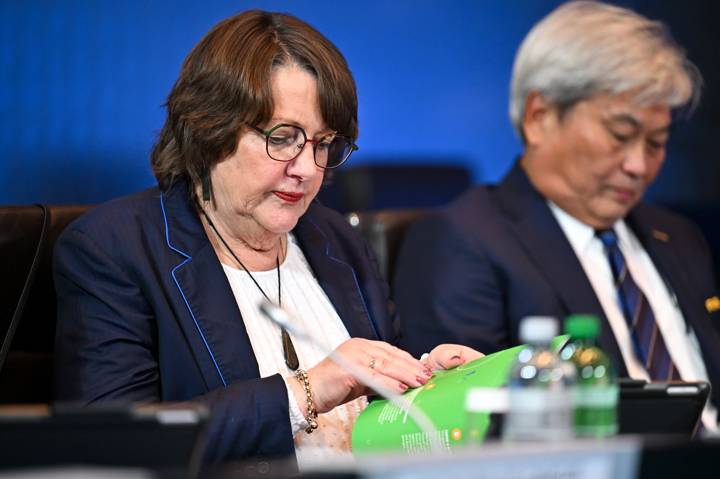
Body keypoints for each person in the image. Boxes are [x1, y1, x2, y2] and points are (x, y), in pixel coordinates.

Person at [53, 10, 481, 465]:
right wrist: (306, 392)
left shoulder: (336, 239)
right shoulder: (114, 249)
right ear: (208, 127)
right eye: (283, 138)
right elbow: (111, 448)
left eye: (323, 144)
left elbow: (374, 408)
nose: (307, 168)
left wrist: (427, 387)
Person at [395, 1, 720, 431]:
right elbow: (466, 428)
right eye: (619, 135)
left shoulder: (677, 236)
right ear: (539, 117)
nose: (639, 165)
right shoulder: (461, 242)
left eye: (656, 142)